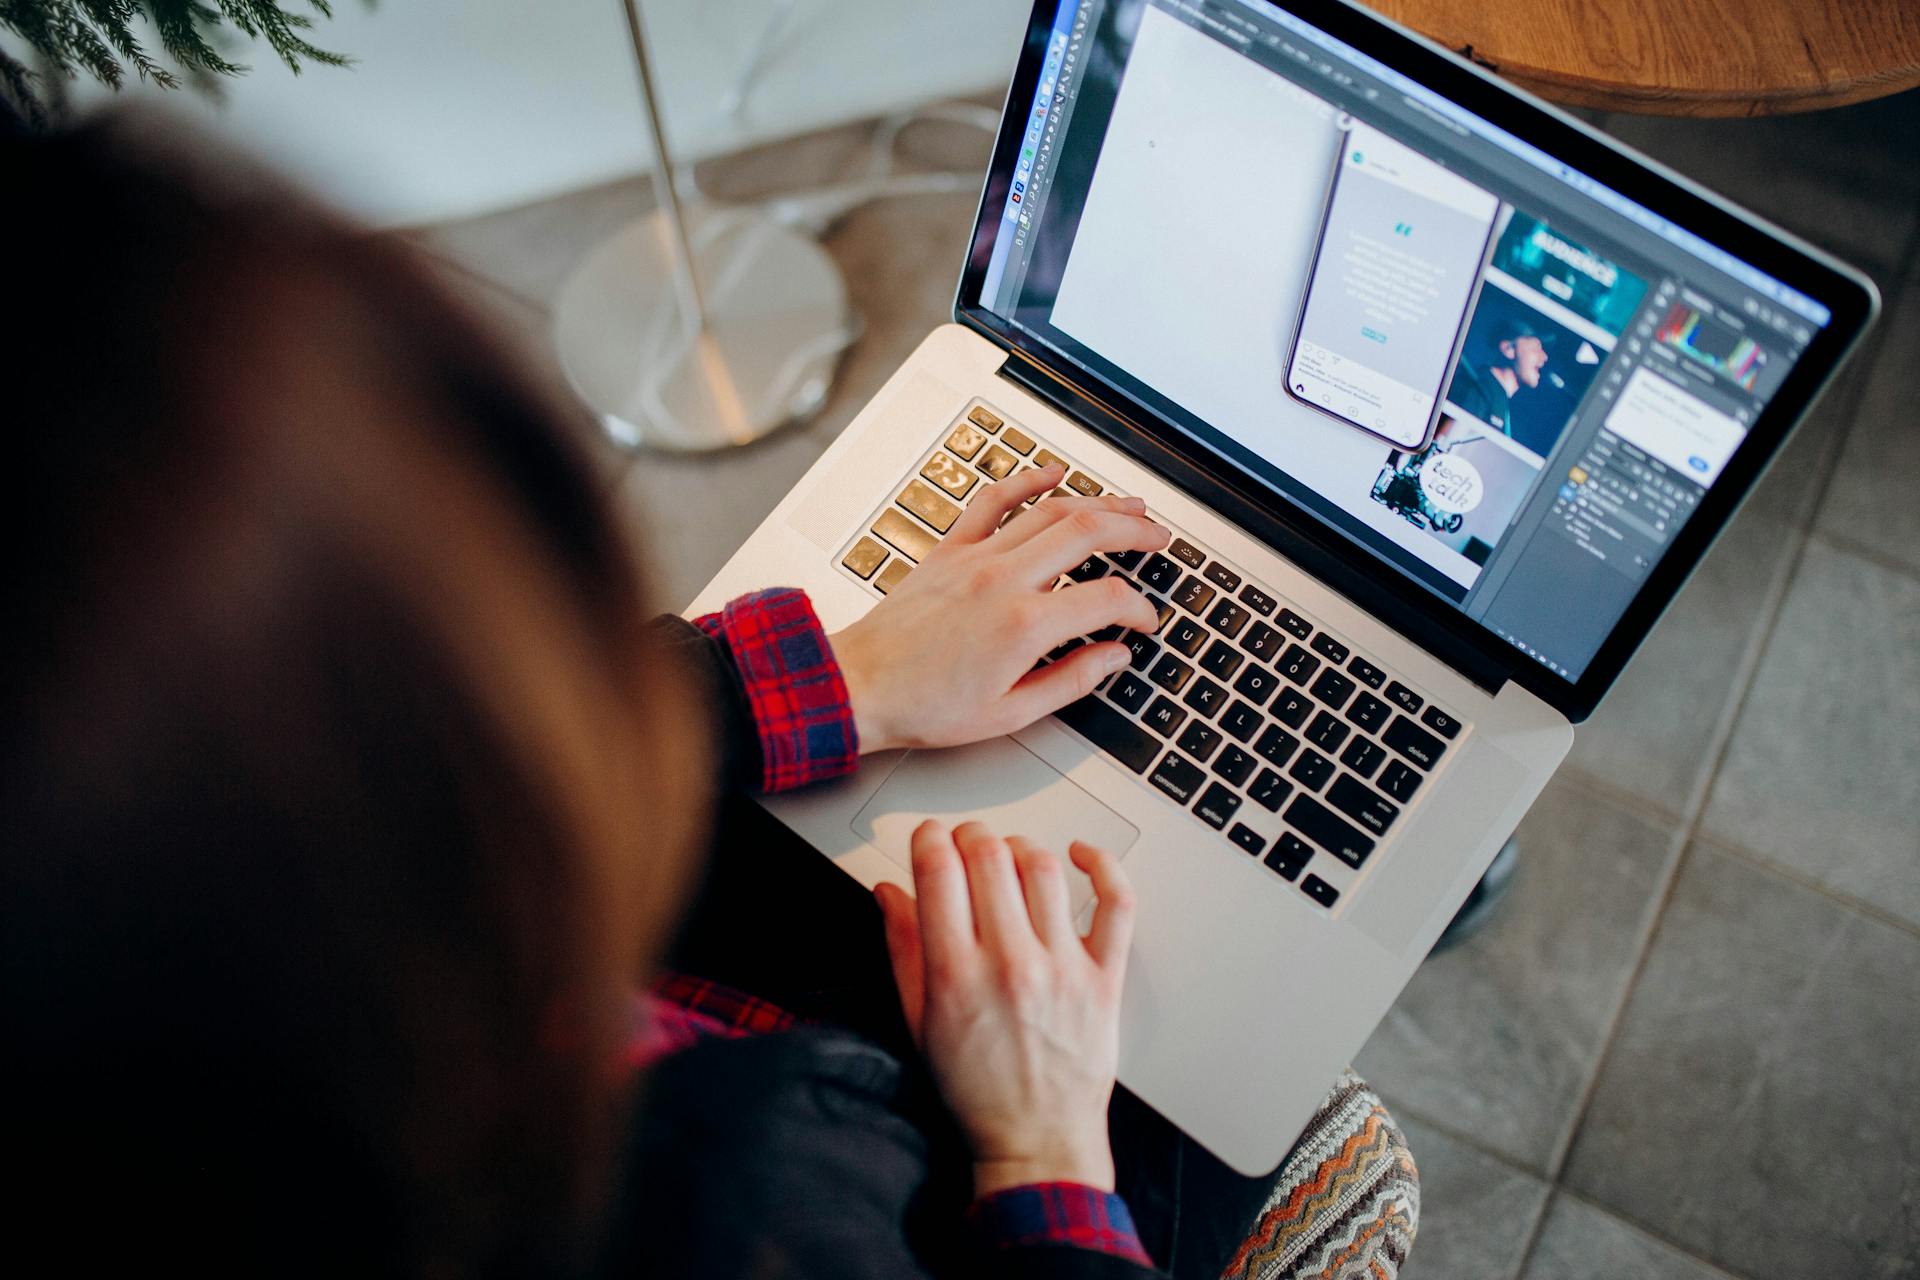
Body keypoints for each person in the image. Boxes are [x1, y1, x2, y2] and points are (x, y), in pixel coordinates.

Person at [3, 119, 1417, 1278]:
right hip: (931, 1157)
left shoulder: (147, 962)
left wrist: (854, 675)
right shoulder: (759, 1203)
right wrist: (1041, 1145)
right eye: (533, 641)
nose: (602, 663)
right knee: (1213, 1072)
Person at [1446, 314, 1559, 453]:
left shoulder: (1498, 398)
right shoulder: (1477, 389)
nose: (1544, 357)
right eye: (1535, 349)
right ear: (1508, 349)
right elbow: (1446, 443)